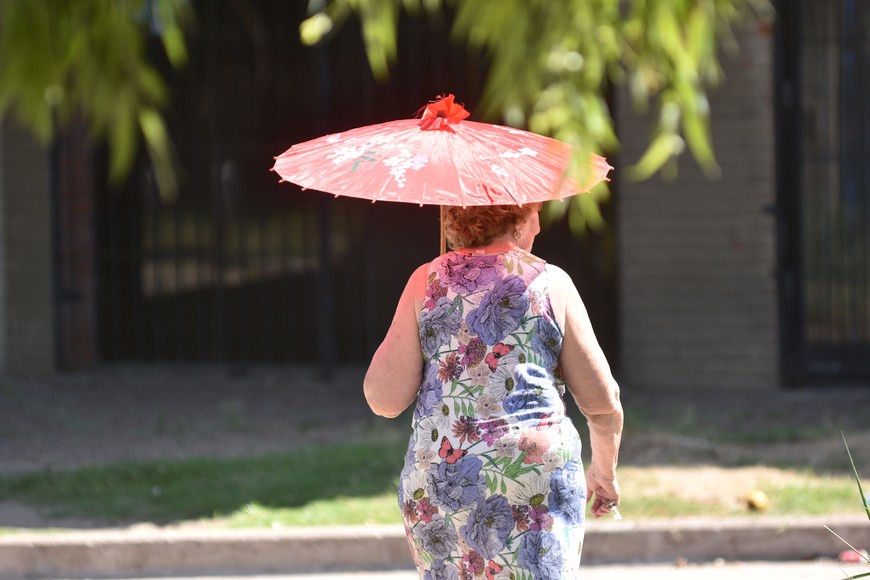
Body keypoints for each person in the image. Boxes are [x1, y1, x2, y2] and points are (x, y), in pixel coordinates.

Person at [364, 203, 623, 580]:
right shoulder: (551, 282)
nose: (539, 226)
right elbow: (602, 402)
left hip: (442, 481)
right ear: (517, 218)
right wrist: (604, 472)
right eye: (535, 213)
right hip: (532, 477)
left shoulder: (426, 280)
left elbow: (383, 399)